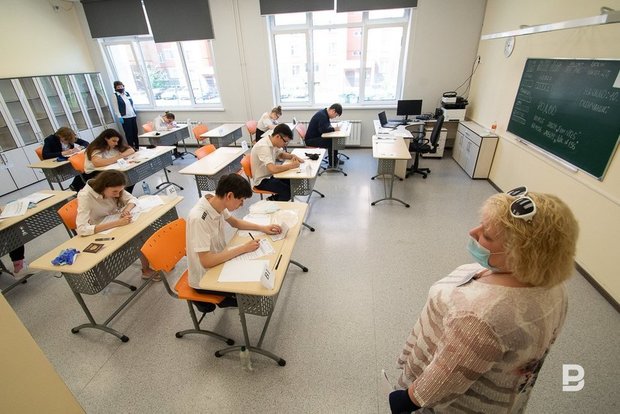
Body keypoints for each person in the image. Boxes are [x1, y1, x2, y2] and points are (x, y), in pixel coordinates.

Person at [388, 187, 579, 414]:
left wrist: (407, 400)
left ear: (520, 254)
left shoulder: (481, 318)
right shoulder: (554, 286)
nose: (473, 232)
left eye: (487, 235)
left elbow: (443, 379)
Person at [186, 173, 282, 311]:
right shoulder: (199, 218)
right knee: (254, 295)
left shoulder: (216, 200)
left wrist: (263, 228)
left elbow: (235, 222)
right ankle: (213, 300)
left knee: (255, 273)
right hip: (205, 277)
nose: (242, 204)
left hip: (220, 259)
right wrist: (243, 248)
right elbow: (206, 262)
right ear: (229, 196)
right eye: (241, 200)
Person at [76, 170, 156, 280]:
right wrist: (116, 223)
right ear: (103, 186)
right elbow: (81, 229)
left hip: (115, 220)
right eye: (115, 192)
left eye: (120, 191)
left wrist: (126, 210)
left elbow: (132, 199)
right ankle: (146, 270)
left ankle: (158, 261)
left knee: (147, 229)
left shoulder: (114, 186)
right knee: (137, 238)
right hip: (102, 231)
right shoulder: (85, 196)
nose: (118, 195)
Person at [250, 123, 304, 201]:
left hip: (270, 175)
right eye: (285, 142)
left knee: (292, 182)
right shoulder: (263, 147)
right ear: (278, 137)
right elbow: (273, 169)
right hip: (261, 180)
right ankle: (274, 204)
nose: (285, 145)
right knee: (287, 191)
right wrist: (292, 165)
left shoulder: (273, 142)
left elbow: (280, 154)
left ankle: (272, 200)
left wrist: (293, 156)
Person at [42, 126, 90, 191]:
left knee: (87, 167)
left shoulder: (70, 137)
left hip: (71, 162)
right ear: (60, 136)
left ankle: (75, 186)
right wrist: (63, 153)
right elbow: (45, 155)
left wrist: (79, 148)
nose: (68, 142)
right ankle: (76, 186)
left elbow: (86, 143)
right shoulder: (50, 140)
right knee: (83, 169)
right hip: (59, 166)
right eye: (66, 140)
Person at [305, 103, 343, 167]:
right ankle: (332, 164)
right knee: (332, 142)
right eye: (336, 115)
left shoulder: (324, 113)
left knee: (334, 140)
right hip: (311, 140)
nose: (335, 117)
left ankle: (335, 159)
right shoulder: (322, 116)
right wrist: (334, 129)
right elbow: (322, 130)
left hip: (315, 137)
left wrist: (332, 128)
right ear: (333, 111)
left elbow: (326, 126)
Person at [112, 81, 139, 150]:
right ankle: (131, 147)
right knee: (129, 133)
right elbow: (115, 107)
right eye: (118, 87)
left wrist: (134, 112)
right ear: (115, 88)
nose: (120, 88)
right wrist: (119, 117)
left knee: (135, 132)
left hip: (132, 115)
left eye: (121, 86)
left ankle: (137, 146)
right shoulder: (115, 96)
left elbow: (131, 103)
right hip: (125, 117)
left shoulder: (127, 93)